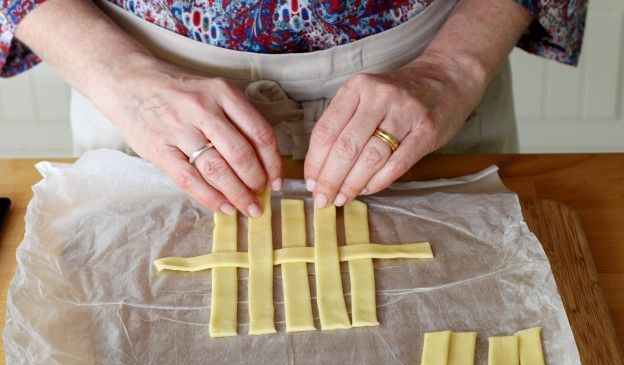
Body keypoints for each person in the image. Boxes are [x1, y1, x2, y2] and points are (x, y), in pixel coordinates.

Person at [1, 0, 586, 218]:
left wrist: (450, 71)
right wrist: (125, 82)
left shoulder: (443, 79)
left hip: (428, 90)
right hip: (140, 101)